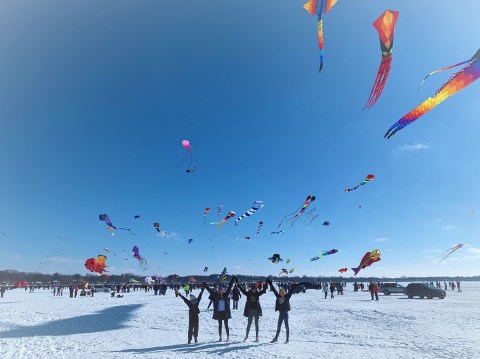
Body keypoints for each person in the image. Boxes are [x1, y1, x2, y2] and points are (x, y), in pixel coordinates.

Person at [236, 278, 268, 342]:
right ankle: (246, 336)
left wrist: (266, 284)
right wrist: (238, 284)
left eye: (255, 289)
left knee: (256, 324)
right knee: (249, 324)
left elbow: (264, 290)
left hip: (256, 311)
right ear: (251, 289)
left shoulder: (257, 294)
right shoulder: (248, 294)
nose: (254, 290)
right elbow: (242, 290)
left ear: (256, 289)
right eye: (253, 289)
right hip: (250, 311)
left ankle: (257, 337)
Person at [204, 278, 235, 342]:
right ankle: (220, 337)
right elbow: (210, 291)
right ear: (218, 290)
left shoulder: (225, 295)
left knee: (226, 325)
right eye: (219, 290)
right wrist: (205, 285)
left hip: (225, 312)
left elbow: (229, 288)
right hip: (219, 313)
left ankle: (228, 337)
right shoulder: (216, 295)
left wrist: (232, 280)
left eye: (222, 290)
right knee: (220, 325)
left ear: (223, 290)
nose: (220, 291)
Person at [267, 278, 297, 344]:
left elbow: (291, 291)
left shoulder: (287, 297)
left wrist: (294, 286)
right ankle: (276, 338)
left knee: (286, 326)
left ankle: (287, 339)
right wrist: (270, 284)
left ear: (284, 292)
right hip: (280, 314)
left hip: (285, 314)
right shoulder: (278, 297)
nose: (282, 294)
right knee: (279, 326)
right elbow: (274, 290)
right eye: (280, 292)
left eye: (283, 292)